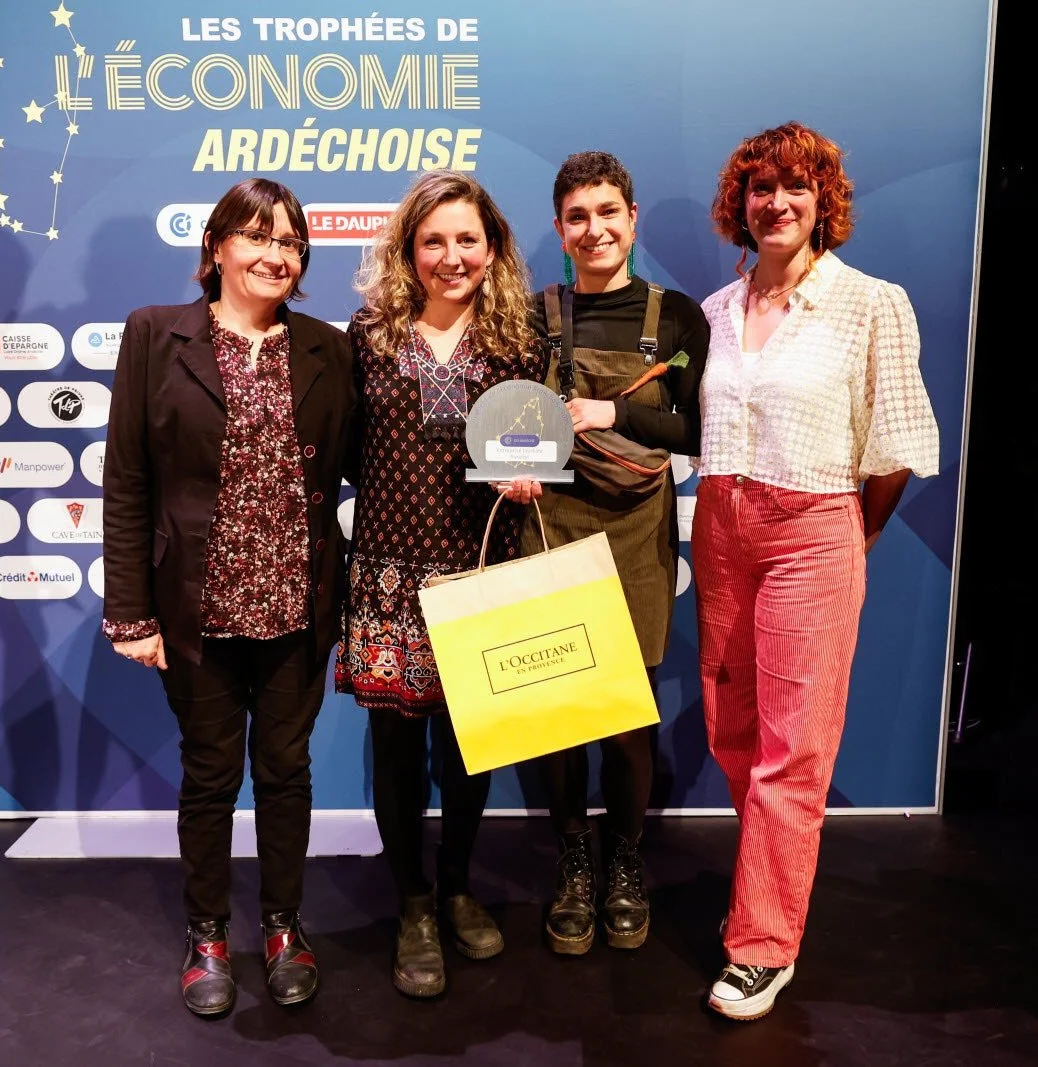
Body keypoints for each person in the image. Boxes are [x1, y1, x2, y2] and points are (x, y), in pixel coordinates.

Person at [695, 122, 940, 1020]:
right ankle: (769, 886)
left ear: (822, 200)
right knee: (732, 731)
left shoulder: (872, 303)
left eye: (795, 187)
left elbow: (897, 447)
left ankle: (762, 944)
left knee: (792, 748)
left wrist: (843, 535)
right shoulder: (717, 311)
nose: (776, 202)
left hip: (815, 522)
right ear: (741, 203)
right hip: (721, 526)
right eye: (760, 188)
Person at [100, 178, 355, 1018]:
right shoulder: (153, 336)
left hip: (296, 605)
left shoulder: (327, 347)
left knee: (286, 772)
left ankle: (283, 925)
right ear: (216, 250)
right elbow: (129, 480)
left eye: (289, 241)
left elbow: (366, 469)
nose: (275, 253)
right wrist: (131, 610)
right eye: (256, 237)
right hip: (197, 609)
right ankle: (208, 931)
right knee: (210, 776)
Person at [337, 170, 545, 997]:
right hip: (387, 576)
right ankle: (412, 905)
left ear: (491, 249)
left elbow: (541, 446)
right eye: (434, 241)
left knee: (468, 752)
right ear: (407, 251)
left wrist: (532, 478)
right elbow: (345, 451)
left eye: (468, 239)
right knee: (396, 752)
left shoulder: (520, 344)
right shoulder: (367, 338)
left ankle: (457, 887)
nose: (451, 256)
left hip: (481, 576)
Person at [527, 151, 710, 955]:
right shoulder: (536, 315)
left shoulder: (679, 319)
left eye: (609, 212)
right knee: (566, 706)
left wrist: (612, 413)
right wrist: (514, 470)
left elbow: (701, 432)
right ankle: (573, 859)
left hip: (637, 529)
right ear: (561, 231)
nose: (594, 229)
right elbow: (508, 419)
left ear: (632, 219)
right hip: (554, 522)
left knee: (629, 707)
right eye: (577, 216)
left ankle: (625, 861)